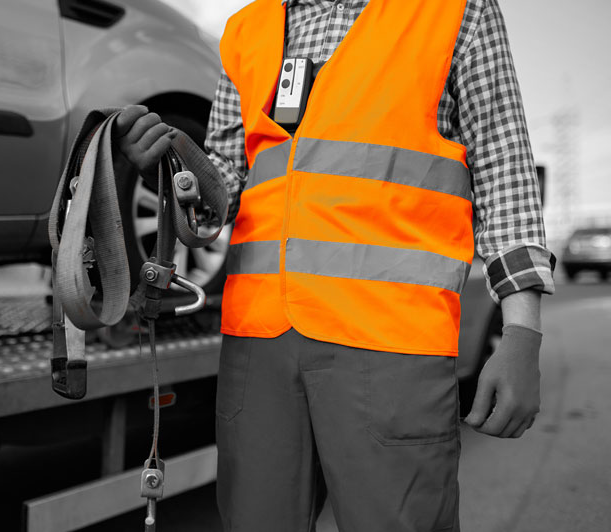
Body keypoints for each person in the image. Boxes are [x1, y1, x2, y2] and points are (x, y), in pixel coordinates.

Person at [113, 0, 556, 530]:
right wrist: (173, 170)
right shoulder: (248, 30)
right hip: (259, 345)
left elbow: (503, 169)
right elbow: (226, 183)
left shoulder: (455, 11)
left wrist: (522, 331)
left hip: (389, 344)